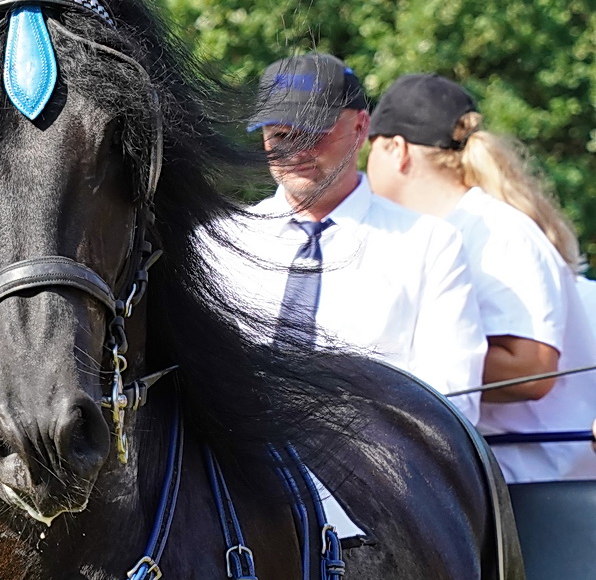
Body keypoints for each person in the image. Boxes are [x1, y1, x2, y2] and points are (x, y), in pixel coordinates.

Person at [206, 53, 487, 420]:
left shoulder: (429, 245)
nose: (296, 151)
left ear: (360, 128)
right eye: (280, 135)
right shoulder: (220, 242)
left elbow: (453, 400)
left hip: (373, 451)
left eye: (314, 133)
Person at [365, 73, 595, 481]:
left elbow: (533, 368)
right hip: (491, 476)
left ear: (396, 150)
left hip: (535, 480)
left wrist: (397, 351)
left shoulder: (496, 231)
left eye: (371, 150)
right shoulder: (444, 230)